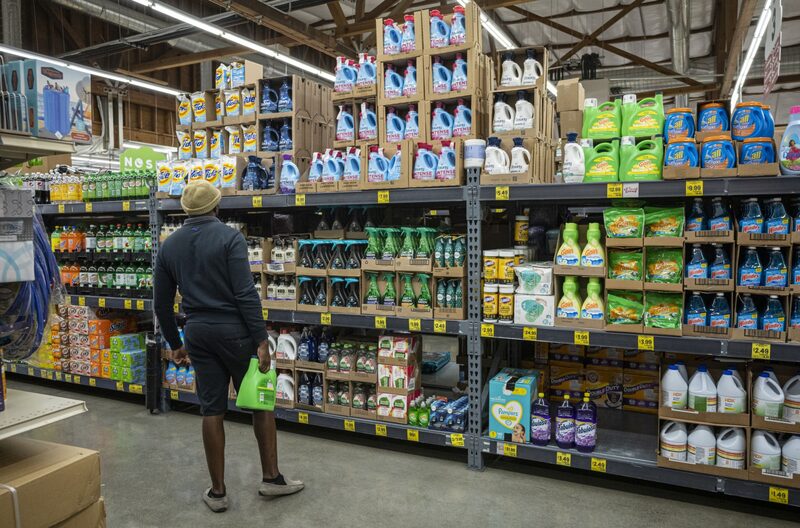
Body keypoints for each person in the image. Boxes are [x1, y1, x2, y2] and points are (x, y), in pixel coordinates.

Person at [154, 180, 303, 512]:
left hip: (198, 333)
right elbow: (245, 293)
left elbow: (162, 304)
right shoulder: (229, 237)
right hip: (235, 332)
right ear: (216, 207)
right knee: (260, 405)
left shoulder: (169, 245)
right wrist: (261, 339)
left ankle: (218, 492)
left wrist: (175, 342)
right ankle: (271, 478)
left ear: (185, 211)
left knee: (212, 409)